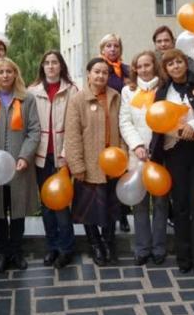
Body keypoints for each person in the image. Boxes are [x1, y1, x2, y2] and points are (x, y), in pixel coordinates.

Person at [149, 49, 194, 278]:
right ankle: (184, 259)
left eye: (179, 62)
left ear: (185, 64)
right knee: (180, 208)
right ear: (165, 69)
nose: (175, 67)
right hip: (173, 153)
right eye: (170, 64)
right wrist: (176, 130)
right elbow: (156, 121)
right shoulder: (162, 91)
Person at [0, 57, 41, 273]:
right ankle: (3, 253)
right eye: (1, 72)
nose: (5, 75)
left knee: (17, 210)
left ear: (16, 74)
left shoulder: (27, 99)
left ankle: (16, 251)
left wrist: (25, 156)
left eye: (9, 71)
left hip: (19, 165)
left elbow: (34, 130)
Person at [65, 57, 122, 266]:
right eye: (96, 71)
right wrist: (77, 165)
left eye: (105, 72)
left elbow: (122, 130)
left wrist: (123, 158)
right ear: (88, 74)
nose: (100, 76)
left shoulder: (115, 97)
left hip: (113, 163)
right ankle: (95, 244)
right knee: (88, 209)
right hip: (89, 164)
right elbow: (72, 135)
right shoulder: (78, 100)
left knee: (111, 207)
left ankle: (108, 242)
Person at [28, 50, 78, 269]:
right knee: (46, 204)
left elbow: (74, 127)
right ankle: (53, 247)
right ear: (42, 67)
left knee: (62, 204)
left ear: (61, 66)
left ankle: (67, 249)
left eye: (54, 62)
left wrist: (67, 153)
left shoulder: (71, 90)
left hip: (62, 156)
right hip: (41, 156)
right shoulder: (32, 91)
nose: (50, 66)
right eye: (47, 63)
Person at [119, 51, 168, 266]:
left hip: (160, 154)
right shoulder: (128, 92)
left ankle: (159, 248)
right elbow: (125, 121)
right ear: (135, 69)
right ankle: (142, 248)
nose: (144, 69)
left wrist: (154, 148)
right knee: (139, 203)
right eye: (140, 66)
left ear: (155, 66)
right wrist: (137, 145)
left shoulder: (164, 90)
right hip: (137, 154)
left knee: (160, 203)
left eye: (148, 65)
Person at [99, 33, 131, 232]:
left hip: (124, 124)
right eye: (108, 46)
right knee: (107, 172)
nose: (112, 49)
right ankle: (109, 215)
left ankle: (123, 214)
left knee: (123, 170)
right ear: (102, 49)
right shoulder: (100, 69)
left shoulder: (127, 70)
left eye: (116, 46)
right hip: (106, 123)